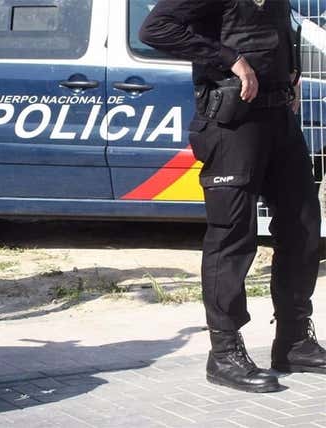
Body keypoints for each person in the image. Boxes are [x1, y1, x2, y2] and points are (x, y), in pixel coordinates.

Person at [139, 0, 326, 393]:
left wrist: (291, 72)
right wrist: (230, 59)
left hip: (278, 117)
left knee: (304, 226)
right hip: (233, 121)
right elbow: (156, 28)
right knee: (232, 237)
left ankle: (293, 342)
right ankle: (224, 354)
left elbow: (275, 28)